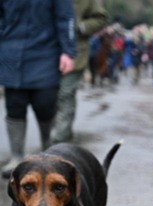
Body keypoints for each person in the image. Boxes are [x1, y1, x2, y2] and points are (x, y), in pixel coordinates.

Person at [0, 0, 76, 174]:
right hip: (11, 51)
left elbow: (65, 19)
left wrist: (68, 52)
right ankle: (16, 157)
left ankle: (48, 152)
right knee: (14, 105)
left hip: (45, 52)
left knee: (45, 104)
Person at [51, 0, 108, 145]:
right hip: (46, 50)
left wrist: (80, 26)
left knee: (65, 94)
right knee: (47, 97)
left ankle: (59, 139)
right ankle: (55, 135)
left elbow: (100, 18)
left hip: (75, 52)